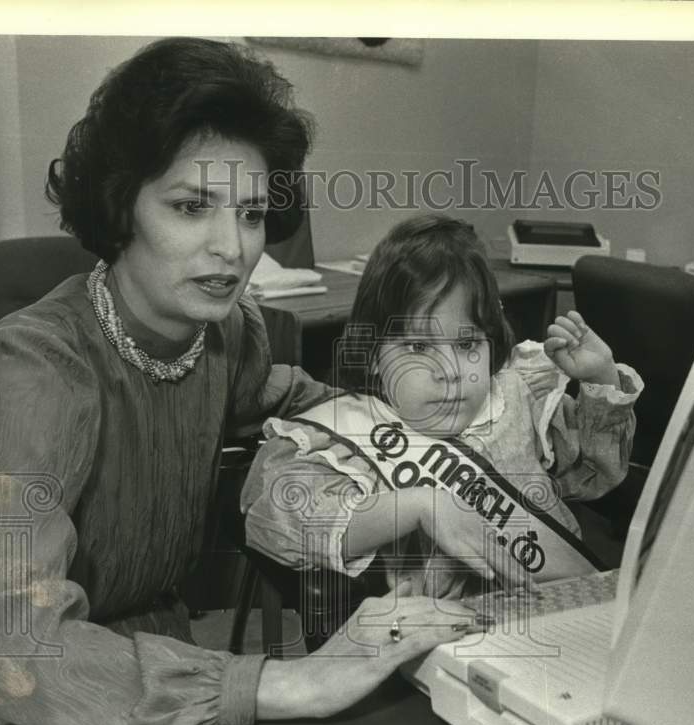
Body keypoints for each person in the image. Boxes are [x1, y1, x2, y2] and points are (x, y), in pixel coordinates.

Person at [0, 38, 481, 725]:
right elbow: (12, 647)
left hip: (162, 684)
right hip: (0, 722)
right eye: (191, 207)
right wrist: (294, 681)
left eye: (251, 214)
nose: (233, 247)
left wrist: (441, 441)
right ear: (122, 207)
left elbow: (296, 399)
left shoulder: (226, 334)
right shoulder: (27, 373)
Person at [241, 215, 643, 599]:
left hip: (561, 611)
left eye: (467, 345)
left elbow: (593, 475)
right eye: (418, 347)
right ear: (375, 354)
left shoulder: (516, 397)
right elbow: (274, 522)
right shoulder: (351, 435)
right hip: (446, 644)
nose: (450, 371)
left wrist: (600, 378)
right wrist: (421, 506)